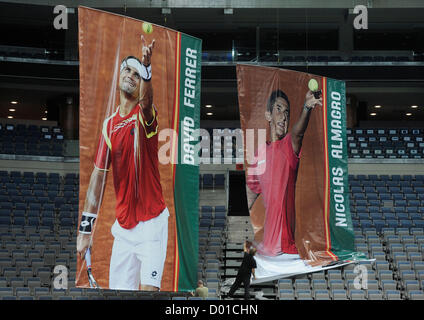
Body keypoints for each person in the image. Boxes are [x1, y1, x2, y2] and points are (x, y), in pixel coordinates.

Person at [76, 35, 169, 291]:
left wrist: (147, 70)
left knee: (149, 293)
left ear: (142, 85)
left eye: (137, 75)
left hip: (152, 224)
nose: (130, 75)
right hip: (124, 229)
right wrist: (85, 231)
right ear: (120, 76)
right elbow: (97, 179)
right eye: (127, 70)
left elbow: (148, 103)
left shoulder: (144, 115)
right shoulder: (109, 125)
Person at [246, 87, 322, 257]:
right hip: (266, 250)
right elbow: (250, 194)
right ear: (268, 115)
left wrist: (306, 108)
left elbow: (298, 134)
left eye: (287, 112)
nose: (284, 116)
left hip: (285, 250)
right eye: (278, 109)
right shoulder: (259, 153)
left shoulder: (288, 145)